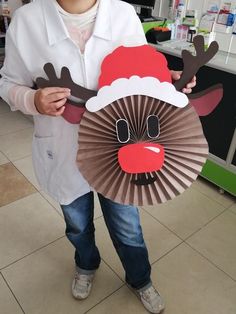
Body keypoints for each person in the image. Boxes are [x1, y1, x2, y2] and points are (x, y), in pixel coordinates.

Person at [0, 0, 196, 313]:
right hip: (63, 149)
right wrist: (31, 99)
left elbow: (141, 75)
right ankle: (86, 265)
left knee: (127, 225)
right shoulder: (26, 21)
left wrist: (165, 80)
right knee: (77, 225)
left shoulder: (122, 14)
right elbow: (8, 82)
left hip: (119, 151)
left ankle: (140, 278)